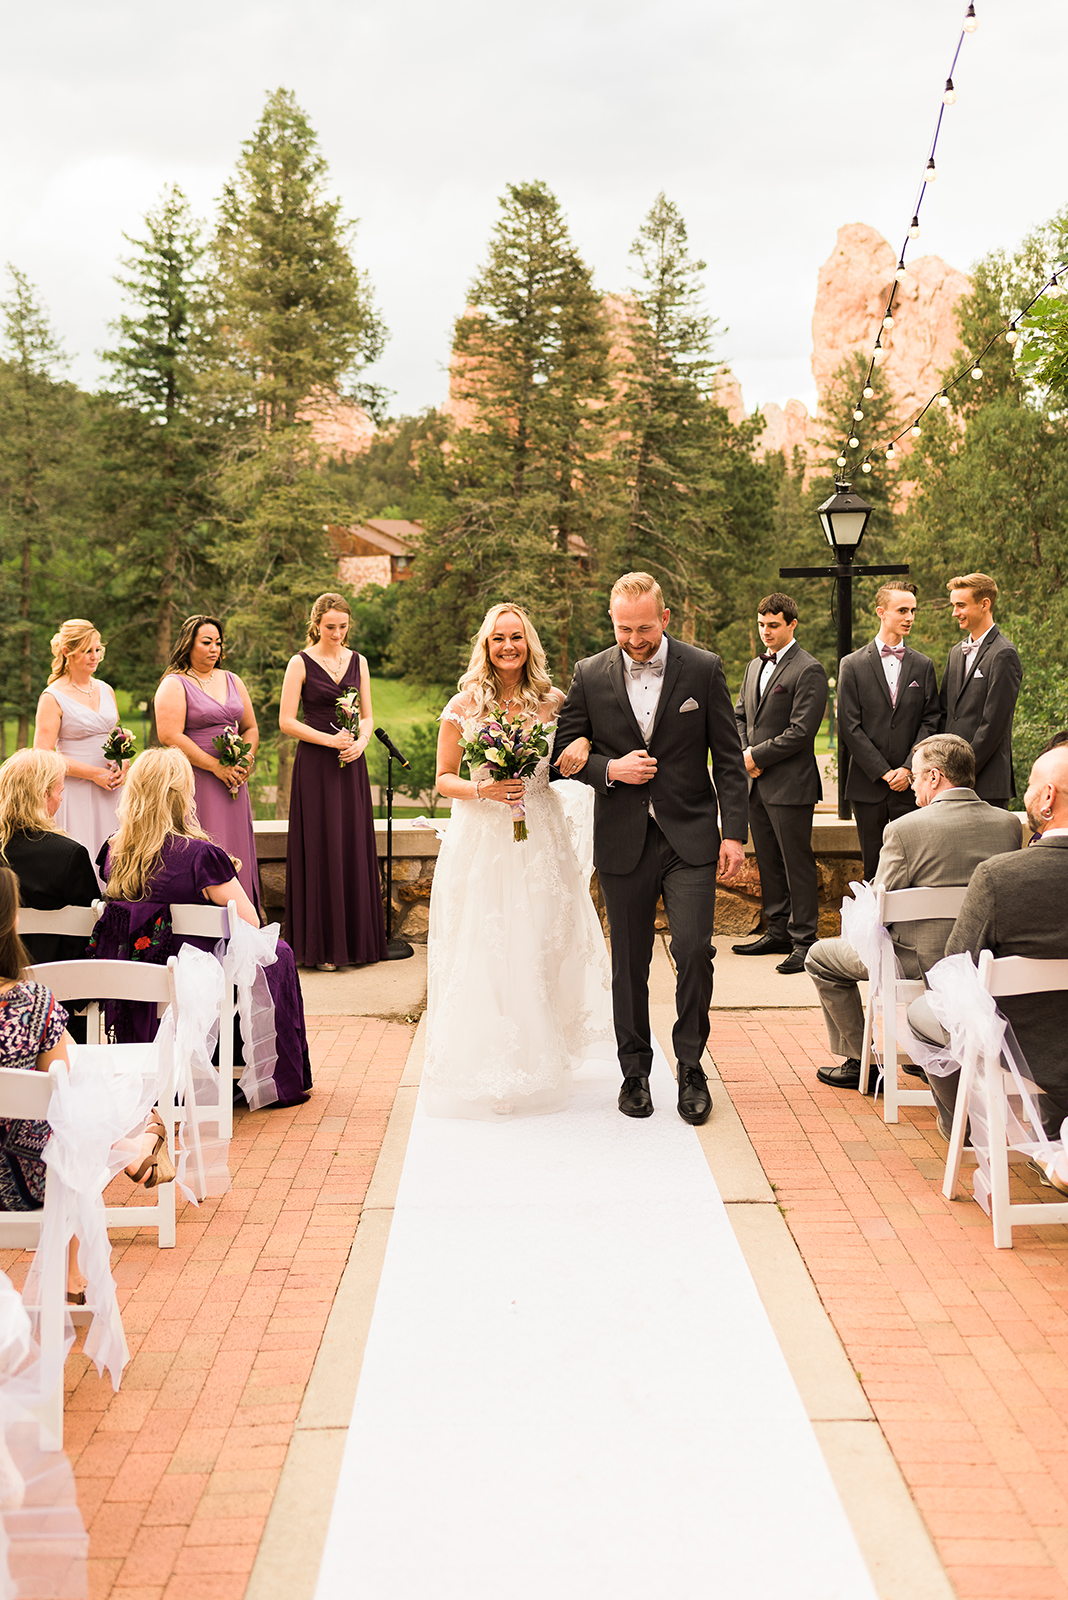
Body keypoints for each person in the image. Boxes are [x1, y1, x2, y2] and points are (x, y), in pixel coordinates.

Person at [555, 573, 749, 1124]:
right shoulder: (590, 674)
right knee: (630, 963)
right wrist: (609, 769)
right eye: (623, 628)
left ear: (665, 618)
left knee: (693, 953)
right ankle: (634, 1071)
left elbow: (730, 760)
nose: (634, 639)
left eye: (643, 628)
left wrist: (732, 833)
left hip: (689, 837)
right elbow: (564, 747)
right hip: (622, 839)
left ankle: (691, 1066)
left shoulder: (704, 668)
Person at [424, 603, 615, 1119]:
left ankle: (543, 1052)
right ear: (484, 646)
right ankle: (496, 1064)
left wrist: (580, 746)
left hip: (540, 837)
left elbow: (580, 746)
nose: (507, 647)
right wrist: (483, 788)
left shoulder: (554, 702)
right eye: (497, 639)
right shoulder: (464, 704)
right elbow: (442, 779)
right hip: (483, 839)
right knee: (489, 947)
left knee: (541, 941)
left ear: (529, 643)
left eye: (516, 638)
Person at [93, 748, 311, 1109]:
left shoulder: (114, 850)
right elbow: (250, 921)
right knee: (278, 952)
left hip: (132, 970)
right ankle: (276, 1074)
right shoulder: (199, 856)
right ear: (180, 795)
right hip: (192, 973)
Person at [806, 734, 1022, 1090]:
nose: (912, 785)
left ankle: (861, 1060)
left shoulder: (904, 830)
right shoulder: (1008, 825)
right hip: (982, 961)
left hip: (913, 962)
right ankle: (926, 1050)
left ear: (935, 777)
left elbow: (879, 908)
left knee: (819, 958)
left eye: (917, 775)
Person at [909, 745, 1068, 1143]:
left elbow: (951, 971)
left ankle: (959, 1126)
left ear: (1048, 796)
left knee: (921, 1012)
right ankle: (1055, 1134)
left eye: (1031, 784)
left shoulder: (999, 877)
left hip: (1022, 1049)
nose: (1026, 793)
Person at [279, 592, 386, 972]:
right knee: (322, 845)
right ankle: (322, 948)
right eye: (330, 627)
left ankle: (356, 943)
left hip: (351, 762)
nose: (337, 633)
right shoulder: (300, 662)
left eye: (342, 626)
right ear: (316, 625)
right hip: (316, 765)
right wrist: (330, 740)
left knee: (351, 843)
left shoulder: (360, 661)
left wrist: (360, 742)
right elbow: (286, 721)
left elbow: (370, 715)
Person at [0, 865, 87, 1297]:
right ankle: (69, 1274)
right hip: (22, 1181)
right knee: (68, 1137)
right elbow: (63, 1094)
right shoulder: (34, 1001)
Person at [732, 593, 828, 974]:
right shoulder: (754, 666)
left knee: (795, 863)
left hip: (791, 785)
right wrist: (745, 752)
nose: (766, 632)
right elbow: (739, 715)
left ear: (792, 624)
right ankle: (777, 931)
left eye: (773, 625)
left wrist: (756, 756)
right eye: (761, 625)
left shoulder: (809, 669)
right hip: (756, 783)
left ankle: (805, 940)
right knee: (769, 862)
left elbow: (802, 731)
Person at [154, 615, 263, 914]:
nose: (214, 649)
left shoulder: (232, 680)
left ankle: (244, 924)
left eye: (218, 642)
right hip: (198, 781)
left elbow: (250, 727)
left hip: (234, 782)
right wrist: (216, 767)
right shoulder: (175, 684)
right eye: (206, 642)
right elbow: (169, 735)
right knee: (209, 844)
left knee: (236, 845)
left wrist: (246, 758)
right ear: (189, 644)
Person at [836, 583, 941, 880]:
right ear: (881, 612)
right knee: (872, 868)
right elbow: (848, 725)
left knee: (915, 868)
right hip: (868, 785)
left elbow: (932, 720)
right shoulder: (852, 665)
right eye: (902, 610)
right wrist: (884, 772)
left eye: (913, 611)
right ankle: (875, 928)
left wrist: (908, 768)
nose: (910, 617)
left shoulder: (923, 665)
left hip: (913, 787)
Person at [33, 619, 126, 885]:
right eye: (88, 651)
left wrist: (124, 763)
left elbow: (116, 736)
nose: (95, 657)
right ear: (67, 652)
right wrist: (93, 774)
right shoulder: (52, 697)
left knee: (117, 852)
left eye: (98, 650)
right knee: (83, 849)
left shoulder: (106, 689)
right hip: (75, 790)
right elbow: (43, 754)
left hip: (112, 788)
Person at [0, 749, 99, 968]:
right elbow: (91, 929)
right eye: (59, 791)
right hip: (56, 984)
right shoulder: (68, 855)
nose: (61, 799)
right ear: (44, 795)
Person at [939, 572, 1022, 806]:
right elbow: (945, 714)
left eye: (961, 605)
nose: (955, 612)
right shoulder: (956, 652)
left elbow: (994, 724)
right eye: (954, 605)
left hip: (986, 782)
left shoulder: (1004, 653)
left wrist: (962, 773)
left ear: (985, 604)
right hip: (951, 783)